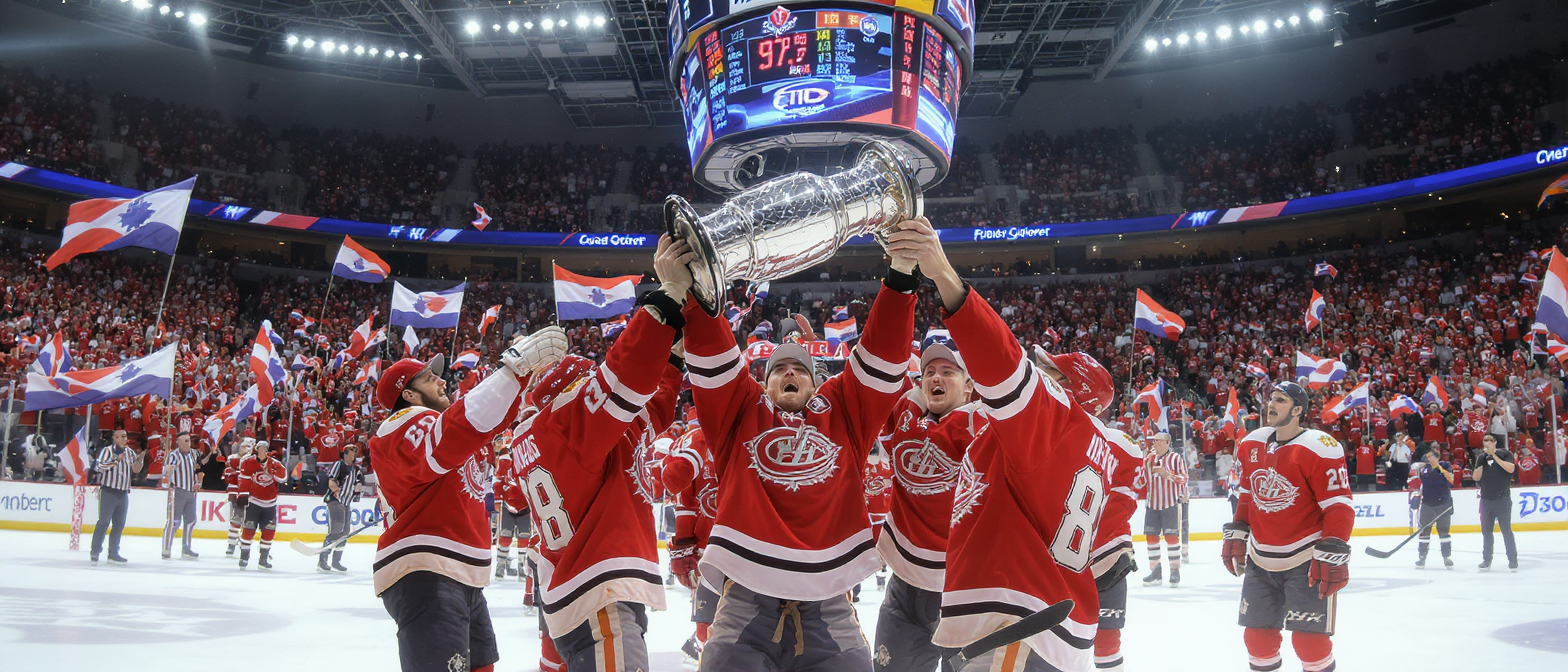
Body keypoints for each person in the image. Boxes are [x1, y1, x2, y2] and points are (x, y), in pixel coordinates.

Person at [681, 224, 917, 672]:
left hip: (829, 597)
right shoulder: (741, 411)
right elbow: (713, 353)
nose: (789, 374)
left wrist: (902, 276)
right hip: (746, 593)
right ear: (764, 382)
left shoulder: (843, 412)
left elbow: (882, 357)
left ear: (815, 380)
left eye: (800, 370)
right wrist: (696, 287)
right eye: (778, 370)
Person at [892, 217, 1108, 671]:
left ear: (1070, 391)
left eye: (1048, 370)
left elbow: (1003, 362)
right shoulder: (1093, 444)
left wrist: (943, 273)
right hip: (1042, 620)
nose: (1036, 369)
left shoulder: (1052, 418)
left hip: (1017, 628)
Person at [506, 234, 687, 672]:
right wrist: (669, 296)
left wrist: (676, 352)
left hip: (569, 590)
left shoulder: (550, 437)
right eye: (589, 380)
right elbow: (625, 377)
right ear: (572, 391)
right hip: (598, 595)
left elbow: (652, 407)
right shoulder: (567, 424)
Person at [371, 327, 567, 672]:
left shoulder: (435, 421)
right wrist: (512, 370)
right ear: (409, 395)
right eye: (429, 378)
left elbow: (488, 420)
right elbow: (456, 430)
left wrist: (521, 380)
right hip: (427, 570)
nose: (442, 382)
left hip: (457, 574)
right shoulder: (403, 423)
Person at [871, 339, 986, 672]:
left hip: (966, 590)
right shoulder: (906, 418)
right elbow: (874, 379)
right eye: (929, 372)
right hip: (906, 585)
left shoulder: (985, 425)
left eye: (948, 372)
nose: (936, 378)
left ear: (969, 386)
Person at [1223, 382, 1353, 672]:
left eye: (1280, 401)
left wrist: (1333, 549)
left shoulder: (1320, 448)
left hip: (1305, 559)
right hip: (1260, 559)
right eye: (1271, 399)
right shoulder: (1252, 443)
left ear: (1297, 410)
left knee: (1310, 644)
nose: (1271, 404)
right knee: (1257, 641)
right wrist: (1239, 531)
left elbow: (1338, 506)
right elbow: (1247, 494)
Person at [1035, 348, 1141, 672]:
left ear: (1074, 388)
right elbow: (1122, 508)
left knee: (1051, 651)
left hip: (1056, 565)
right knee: (1104, 649)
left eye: (1051, 372)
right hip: (1105, 560)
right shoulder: (1124, 445)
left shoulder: (1045, 434)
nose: (1040, 375)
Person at [664, 421, 719, 662]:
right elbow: (683, 496)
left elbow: (683, 500)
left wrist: (682, 551)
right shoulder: (697, 439)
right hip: (716, 552)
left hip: (715, 550)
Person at [1142, 432, 1187, 587]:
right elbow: (1142, 480)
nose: (1156, 444)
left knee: (1171, 538)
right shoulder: (1149, 459)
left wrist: (1167, 475)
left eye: (1159, 441)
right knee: (1151, 538)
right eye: (1154, 441)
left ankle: (1175, 572)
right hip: (1151, 504)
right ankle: (1156, 572)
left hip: (1169, 504)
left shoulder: (1175, 458)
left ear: (1167, 442)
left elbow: (1183, 478)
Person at [237, 440, 288, 570]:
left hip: (270, 504)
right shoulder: (248, 462)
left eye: (264, 449)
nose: (262, 451)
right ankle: (244, 556)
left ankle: (263, 559)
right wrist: (242, 496)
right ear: (256, 449)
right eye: (260, 448)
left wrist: (274, 471)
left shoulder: (275, 464)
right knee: (248, 531)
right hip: (254, 502)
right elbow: (244, 479)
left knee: (269, 532)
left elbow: (283, 478)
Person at [90, 429, 138, 565]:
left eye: (125, 436)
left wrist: (140, 461)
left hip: (123, 493)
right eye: (121, 437)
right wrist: (115, 461)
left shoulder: (129, 452)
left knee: (119, 524)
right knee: (104, 522)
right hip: (109, 491)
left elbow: (135, 468)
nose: (124, 439)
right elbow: (100, 467)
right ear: (114, 438)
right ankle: (95, 550)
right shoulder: (107, 451)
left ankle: (113, 552)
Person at [1472, 435, 1518, 571]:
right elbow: (1476, 477)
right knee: (1486, 532)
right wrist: (1482, 460)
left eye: (1490, 441)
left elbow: (1510, 469)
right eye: (1485, 441)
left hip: (1502, 499)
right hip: (1486, 500)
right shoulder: (1481, 458)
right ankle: (1486, 560)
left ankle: (1512, 560)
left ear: (1495, 442)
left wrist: (1494, 455)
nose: (1488, 443)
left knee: (1506, 531)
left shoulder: (1505, 454)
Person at [319, 443, 362, 572]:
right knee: (336, 530)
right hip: (335, 501)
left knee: (345, 532)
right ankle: (323, 559)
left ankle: (336, 560)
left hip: (346, 502)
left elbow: (358, 482)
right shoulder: (339, 465)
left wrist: (357, 492)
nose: (354, 454)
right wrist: (336, 491)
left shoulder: (356, 469)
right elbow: (331, 480)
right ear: (346, 453)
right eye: (352, 451)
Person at [491, 437, 529, 581]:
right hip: (508, 503)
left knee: (524, 537)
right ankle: (500, 567)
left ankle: (522, 567)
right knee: (505, 537)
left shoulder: (528, 455)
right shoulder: (505, 456)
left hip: (525, 503)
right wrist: (498, 500)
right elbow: (499, 478)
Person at [1412, 448, 1454, 569]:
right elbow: (1422, 485)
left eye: (1431, 456)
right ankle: (1422, 558)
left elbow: (1451, 480)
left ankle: (1446, 557)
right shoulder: (1423, 469)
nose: (1428, 459)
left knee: (1444, 532)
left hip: (1443, 504)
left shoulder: (1445, 465)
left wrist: (1438, 468)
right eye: (1427, 457)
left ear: (1437, 457)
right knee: (1424, 533)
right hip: (1427, 504)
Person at [161, 432, 200, 560]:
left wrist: (197, 483)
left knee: (190, 520)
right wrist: (168, 472)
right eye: (185, 441)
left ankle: (186, 547)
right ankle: (166, 548)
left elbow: (196, 470)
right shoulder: (174, 455)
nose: (188, 443)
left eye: (188, 440)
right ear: (178, 442)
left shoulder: (193, 454)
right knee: (173, 522)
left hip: (191, 492)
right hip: (178, 491)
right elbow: (167, 470)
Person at [224, 438, 254, 556]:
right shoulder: (232, 459)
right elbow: (228, 476)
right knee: (236, 519)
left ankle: (250, 546)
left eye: (248, 447)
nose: (245, 449)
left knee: (250, 522)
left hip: (249, 494)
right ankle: (231, 545)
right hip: (235, 493)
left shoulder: (254, 460)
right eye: (243, 446)